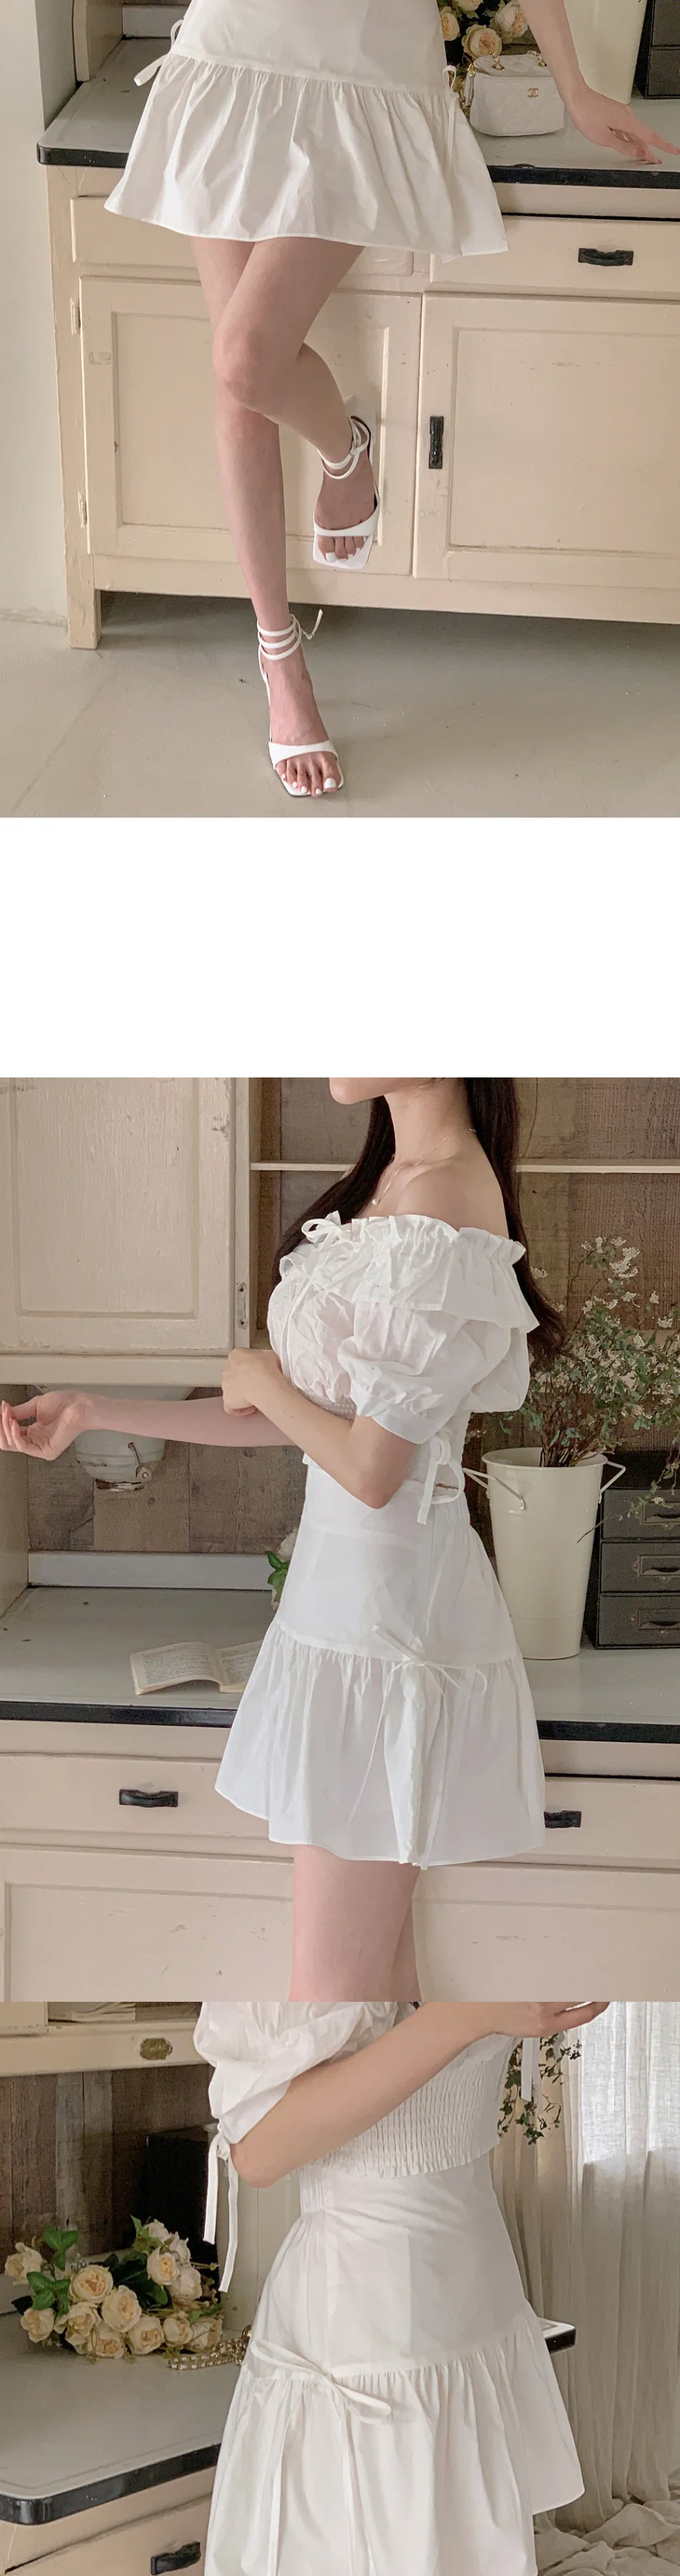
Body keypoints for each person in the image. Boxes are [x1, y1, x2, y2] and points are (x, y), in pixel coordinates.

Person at [105, 0, 672, 798]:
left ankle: (345, 453)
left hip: (369, 49)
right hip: (234, 42)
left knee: (247, 358)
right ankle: (279, 656)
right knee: (237, 375)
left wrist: (575, 87)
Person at [0, 1077, 562, 1992]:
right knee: (366, 1983)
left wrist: (264, 1379)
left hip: (386, 1626)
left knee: (329, 1993)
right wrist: (94, 1409)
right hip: (344, 1610)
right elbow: (309, 1419)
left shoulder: (444, 1194)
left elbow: (370, 1470)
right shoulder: (395, 1180)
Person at [193, 1994, 601, 2576]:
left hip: (474, 2296)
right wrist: (464, 2017)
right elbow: (259, 2152)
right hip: (370, 2320)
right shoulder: (321, 1940)